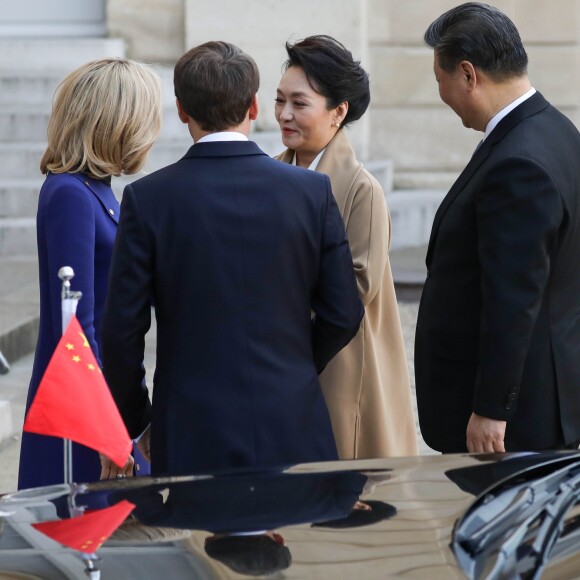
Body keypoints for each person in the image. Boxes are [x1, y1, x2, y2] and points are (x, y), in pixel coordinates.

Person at [99, 41, 363, 477]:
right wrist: (294, 369)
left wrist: (141, 418)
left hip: (189, 424)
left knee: (196, 543)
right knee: (296, 541)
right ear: (255, 106)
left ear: (182, 110)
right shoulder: (310, 192)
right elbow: (343, 313)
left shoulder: (147, 199)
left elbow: (122, 331)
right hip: (291, 416)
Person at [414, 2, 580, 453]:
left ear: (468, 74)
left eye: (440, 81)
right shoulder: (556, 130)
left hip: (517, 421)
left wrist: (491, 410)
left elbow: (514, 300)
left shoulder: (519, 161)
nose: (441, 94)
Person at [18, 58, 162, 490]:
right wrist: (106, 424)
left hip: (98, 392)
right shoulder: (70, 193)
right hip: (81, 401)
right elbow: (75, 326)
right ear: (118, 123)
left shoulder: (93, 188)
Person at [274, 35, 417, 459]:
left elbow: (356, 289)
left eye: (299, 104)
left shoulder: (361, 189)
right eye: (280, 100)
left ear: (338, 112)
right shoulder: (272, 174)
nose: (284, 114)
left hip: (344, 369)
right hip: (284, 363)